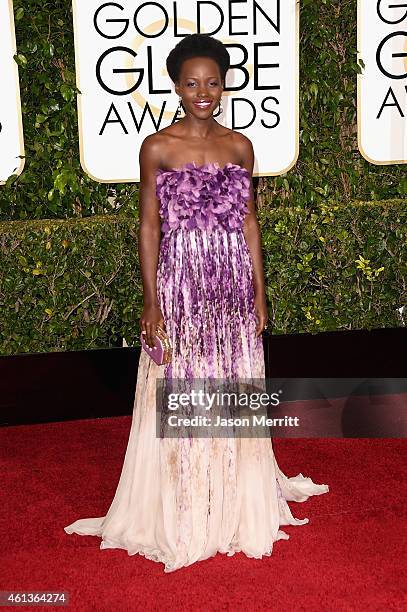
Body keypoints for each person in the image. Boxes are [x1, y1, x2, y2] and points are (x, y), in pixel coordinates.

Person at [64, 33, 329, 573]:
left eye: (212, 81)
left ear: (225, 85)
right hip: (180, 281)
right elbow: (148, 226)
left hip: (231, 279)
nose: (202, 91)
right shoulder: (157, 148)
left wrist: (259, 290)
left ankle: (232, 497)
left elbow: (250, 220)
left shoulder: (240, 147)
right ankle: (185, 499)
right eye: (191, 82)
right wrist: (151, 300)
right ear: (176, 86)